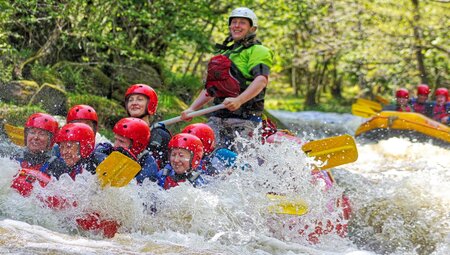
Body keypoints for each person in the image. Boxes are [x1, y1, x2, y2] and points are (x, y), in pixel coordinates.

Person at [180, 7, 274, 152]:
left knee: (233, 161)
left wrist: (239, 100)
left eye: (242, 23)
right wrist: (192, 109)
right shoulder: (224, 53)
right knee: (203, 154)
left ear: (252, 28)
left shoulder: (259, 51)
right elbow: (210, 90)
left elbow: (261, 80)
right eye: (234, 22)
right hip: (218, 117)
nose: (236, 25)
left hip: (246, 119)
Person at [10, 113, 67, 197]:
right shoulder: (14, 158)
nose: (36, 137)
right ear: (26, 135)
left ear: (51, 140)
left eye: (42, 134)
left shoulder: (57, 166)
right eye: (32, 132)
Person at [94, 117, 159, 184]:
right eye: (116, 139)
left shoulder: (150, 166)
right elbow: (96, 154)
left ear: (137, 145)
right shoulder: (111, 149)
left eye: (121, 141)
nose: (116, 145)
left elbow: (134, 187)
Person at [124, 84, 172, 168]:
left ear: (151, 104)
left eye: (139, 99)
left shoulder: (160, 135)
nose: (134, 103)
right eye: (130, 100)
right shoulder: (123, 130)